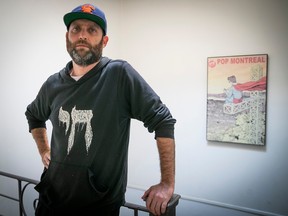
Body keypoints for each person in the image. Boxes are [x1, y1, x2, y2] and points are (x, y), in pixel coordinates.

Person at [25, 3, 176, 216]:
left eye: (92, 30)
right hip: (50, 201)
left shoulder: (118, 75)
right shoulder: (53, 84)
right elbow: (33, 115)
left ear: (104, 41)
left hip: (98, 206)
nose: (82, 35)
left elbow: (163, 121)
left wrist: (166, 184)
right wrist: (44, 150)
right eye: (76, 29)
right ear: (67, 38)